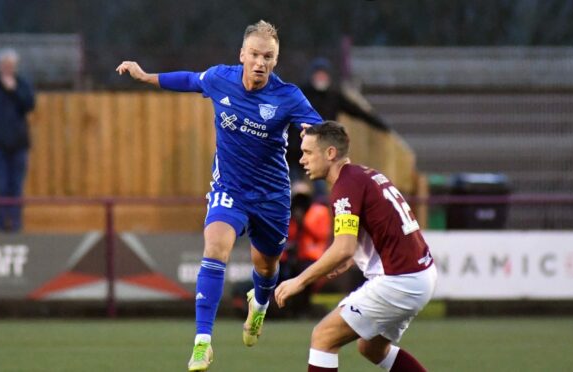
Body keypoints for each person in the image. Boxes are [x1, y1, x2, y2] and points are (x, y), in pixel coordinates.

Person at [116, 20, 323, 371]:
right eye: (255, 54)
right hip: (230, 188)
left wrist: (315, 140)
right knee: (214, 248)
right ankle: (202, 343)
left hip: (272, 196)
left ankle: (259, 305)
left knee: (267, 266)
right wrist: (145, 76)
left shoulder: (288, 97)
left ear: (276, 60)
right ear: (242, 55)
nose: (260, 62)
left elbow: (319, 130)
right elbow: (188, 80)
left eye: (268, 57)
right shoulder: (220, 78)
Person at [275, 121, 437, 372]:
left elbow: (343, 248)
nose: (302, 159)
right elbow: (377, 228)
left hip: (399, 281)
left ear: (330, 154)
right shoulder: (363, 175)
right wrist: (352, 258)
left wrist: (299, 281)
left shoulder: (345, 187)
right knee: (371, 348)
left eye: (308, 152)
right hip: (420, 275)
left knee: (323, 337)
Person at [286, 57, 389, 185]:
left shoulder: (334, 96)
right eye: (319, 75)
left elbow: (357, 111)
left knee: (320, 188)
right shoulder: (300, 95)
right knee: (295, 188)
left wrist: (381, 125)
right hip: (296, 151)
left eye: (324, 75)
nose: (321, 78)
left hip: (321, 151)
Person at [0, 48, 35, 232]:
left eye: (11, 65)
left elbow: (30, 104)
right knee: (1, 185)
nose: (7, 68)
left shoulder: (21, 84)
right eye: (4, 65)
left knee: (16, 187)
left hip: (19, 144)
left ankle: (15, 227)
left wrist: (13, 90)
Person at [281, 180, 332, 317]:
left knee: (305, 274)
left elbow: (321, 234)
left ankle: (304, 309)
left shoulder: (319, 211)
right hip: (293, 257)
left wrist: (303, 222)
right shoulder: (288, 213)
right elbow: (287, 236)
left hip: (312, 258)